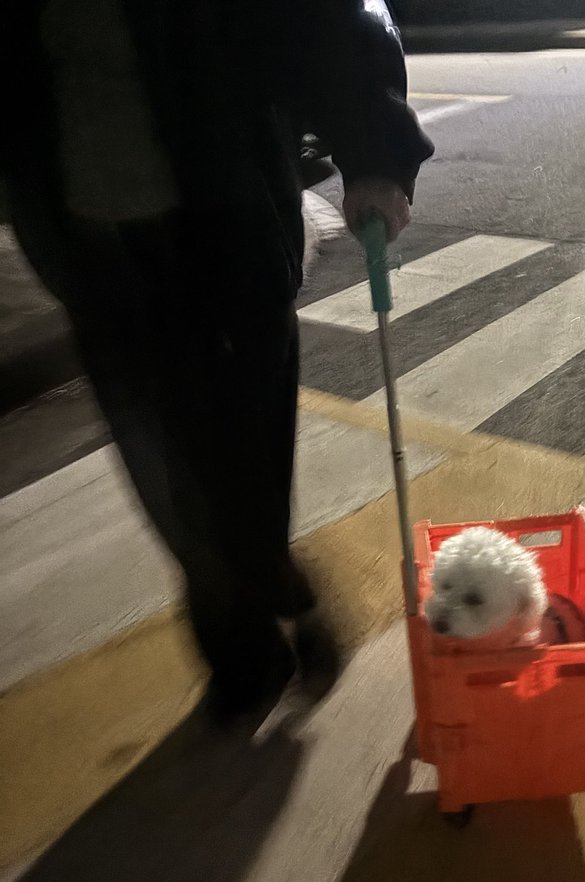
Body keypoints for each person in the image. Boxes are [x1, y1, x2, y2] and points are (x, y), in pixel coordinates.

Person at [1, 0, 433, 720]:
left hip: (224, 217)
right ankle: (246, 643)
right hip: (85, 241)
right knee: (161, 466)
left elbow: (325, 19)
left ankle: (271, 591)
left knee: (244, 457)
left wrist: (377, 151)